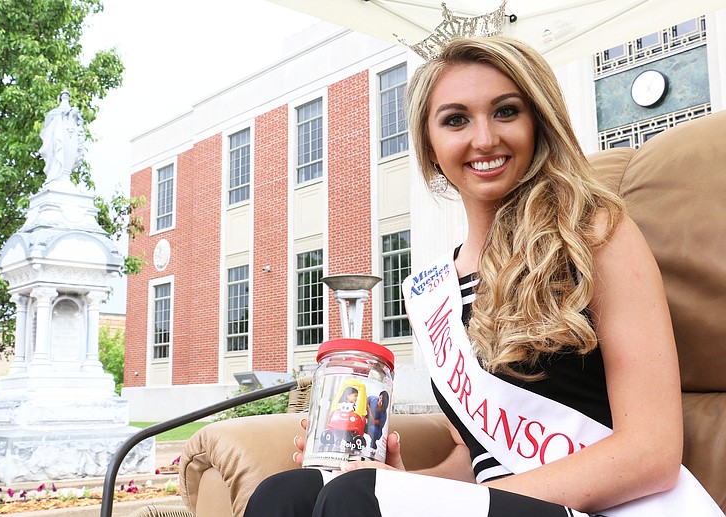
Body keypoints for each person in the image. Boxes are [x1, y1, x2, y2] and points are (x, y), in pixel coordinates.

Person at [244, 35, 721, 517]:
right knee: (288, 494)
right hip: (504, 506)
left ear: (538, 122)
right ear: (430, 147)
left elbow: (652, 453)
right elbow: (479, 463)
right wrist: (402, 482)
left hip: (611, 508)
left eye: (506, 111)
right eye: (456, 120)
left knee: (355, 500)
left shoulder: (596, 234)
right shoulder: (430, 293)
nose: (485, 138)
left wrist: (417, 501)